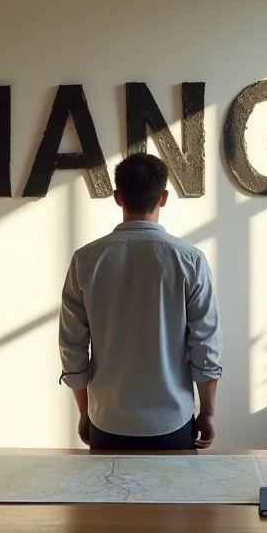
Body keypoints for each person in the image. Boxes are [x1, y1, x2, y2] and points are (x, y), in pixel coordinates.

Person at [57, 153, 223, 451]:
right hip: (172, 420)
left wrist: (84, 412)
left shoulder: (86, 259)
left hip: (107, 420)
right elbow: (205, 344)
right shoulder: (190, 260)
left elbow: (72, 346)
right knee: (174, 497)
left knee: (105, 498)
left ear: (118, 197)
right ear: (164, 198)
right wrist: (208, 412)